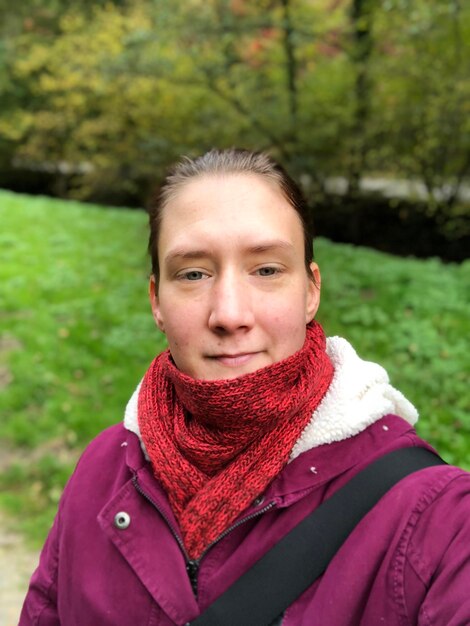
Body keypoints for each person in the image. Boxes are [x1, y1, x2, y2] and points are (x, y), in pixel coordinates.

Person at [20, 149, 470, 625]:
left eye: (267, 270)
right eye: (193, 274)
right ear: (156, 300)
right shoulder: (101, 471)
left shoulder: (438, 519)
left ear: (311, 291)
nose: (230, 314)